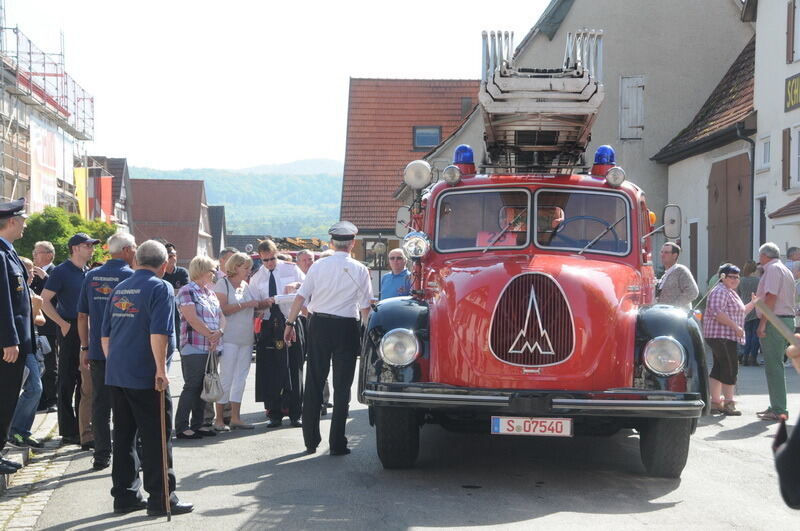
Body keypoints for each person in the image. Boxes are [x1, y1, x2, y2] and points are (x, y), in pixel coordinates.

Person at [101, 239, 193, 516]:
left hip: (118, 371)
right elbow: (159, 333)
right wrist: (161, 371)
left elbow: (105, 335)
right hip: (145, 374)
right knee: (156, 438)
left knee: (125, 435)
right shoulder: (160, 286)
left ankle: (126, 494)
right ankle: (162, 498)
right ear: (164, 265)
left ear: (136, 261)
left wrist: (116, 363)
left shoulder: (120, 287)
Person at [284, 221, 373, 455]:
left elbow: (300, 297)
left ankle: (311, 440)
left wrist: (290, 323)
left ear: (332, 243)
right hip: (346, 327)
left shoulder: (318, 266)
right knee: (342, 387)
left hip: (320, 324)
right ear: (352, 243)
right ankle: (337, 443)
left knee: (314, 382)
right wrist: (369, 335)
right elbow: (365, 309)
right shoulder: (360, 269)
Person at [77, 232, 136, 470]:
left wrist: (84, 347)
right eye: (133, 248)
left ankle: (102, 455)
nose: (134, 251)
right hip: (128, 352)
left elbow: (82, 315)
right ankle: (131, 453)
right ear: (126, 251)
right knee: (130, 404)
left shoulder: (91, 276)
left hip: (99, 352)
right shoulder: (132, 277)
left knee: (101, 404)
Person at [41, 232, 99, 448]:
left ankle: (82, 428)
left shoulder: (87, 271)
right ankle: (68, 430)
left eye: (92, 246)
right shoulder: (61, 271)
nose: (91, 249)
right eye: (87, 245)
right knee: (67, 378)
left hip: (86, 326)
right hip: (69, 326)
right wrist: (62, 324)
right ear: (75, 248)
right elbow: (44, 300)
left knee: (84, 378)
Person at [250, 239, 305, 427]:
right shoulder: (257, 278)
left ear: (277, 254)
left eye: (272, 259)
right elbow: (255, 306)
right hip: (269, 325)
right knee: (271, 369)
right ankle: (274, 413)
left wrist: (296, 285)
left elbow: (306, 287)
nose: (269, 263)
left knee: (294, 367)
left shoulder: (291, 269)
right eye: (265, 260)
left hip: (291, 321)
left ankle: (295, 412)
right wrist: (263, 304)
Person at [0, 198, 34, 475]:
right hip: (8, 344)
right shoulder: (0, 255)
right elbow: (3, 304)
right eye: (22, 219)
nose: (24, 223)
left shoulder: (8, 253)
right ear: (11, 221)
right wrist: (8, 340)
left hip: (17, 341)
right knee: (4, 396)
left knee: (9, 396)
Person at [174, 256, 224, 439]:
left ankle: (198, 424)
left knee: (204, 385)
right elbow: (192, 318)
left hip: (211, 346)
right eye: (213, 271)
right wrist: (211, 335)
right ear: (203, 270)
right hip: (194, 345)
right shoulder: (187, 291)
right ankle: (181, 426)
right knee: (192, 385)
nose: (215, 274)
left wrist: (220, 331)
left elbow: (221, 316)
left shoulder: (209, 293)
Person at [212, 252, 261, 430]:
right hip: (229, 337)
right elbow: (222, 309)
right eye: (246, 267)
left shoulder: (245, 286)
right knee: (226, 377)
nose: (249, 270)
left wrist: (263, 305)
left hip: (246, 338)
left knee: (241, 378)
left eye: (249, 267)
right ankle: (219, 420)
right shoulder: (222, 283)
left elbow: (252, 308)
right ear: (235, 266)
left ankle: (235, 417)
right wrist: (247, 305)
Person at [703, 264, 758, 416]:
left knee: (720, 368)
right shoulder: (720, 290)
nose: (735, 279)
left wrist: (753, 303)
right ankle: (728, 403)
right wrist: (736, 327)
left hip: (724, 336)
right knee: (730, 368)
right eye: (731, 276)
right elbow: (717, 313)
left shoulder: (729, 291)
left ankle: (715, 402)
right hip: (722, 336)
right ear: (722, 277)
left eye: (737, 277)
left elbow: (739, 313)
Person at [8, 256, 47, 449]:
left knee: (33, 388)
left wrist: (36, 309)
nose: (32, 275)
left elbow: (40, 320)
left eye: (32, 271)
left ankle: (20, 430)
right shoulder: (14, 291)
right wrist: (35, 309)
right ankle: (15, 430)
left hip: (31, 345)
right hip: (17, 346)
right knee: (32, 388)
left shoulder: (30, 291)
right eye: (29, 270)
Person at [755, 242, 796, 421]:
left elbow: (771, 297)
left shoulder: (771, 269)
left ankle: (779, 409)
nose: (759, 259)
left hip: (775, 320)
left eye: (760, 256)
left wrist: (763, 322)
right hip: (786, 319)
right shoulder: (784, 269)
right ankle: (776, 405)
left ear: (764, 256)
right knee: (775, 365)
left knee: (774, 366)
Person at [31, 240, 58, 411]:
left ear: (49, 255)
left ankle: (52, 399)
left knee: (50, 364)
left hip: (50, 327)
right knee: (39, 364)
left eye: (37, 252)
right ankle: (41, 398)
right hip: (36, 326)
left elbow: (57, 299)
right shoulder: (33, 273)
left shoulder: (55, 273)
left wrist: (46, 278)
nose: (34, 255)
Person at [655, 242, 699, 309]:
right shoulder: (665, 275)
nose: (662, 255)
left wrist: (673, 306)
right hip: (665, 316)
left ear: (674, 255)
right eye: (661, 252)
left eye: (666, 252)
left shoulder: (681, 270)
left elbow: (693, 292)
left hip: (677, 317)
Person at [737, 260, 761, 366]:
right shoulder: (758, 280)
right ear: (755, 269)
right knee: (755, 335)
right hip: (756, 309)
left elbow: (737, 294)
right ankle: (753, 357)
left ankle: (745, 357)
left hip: (744, 309)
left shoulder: (740, 280)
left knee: (746, 334)